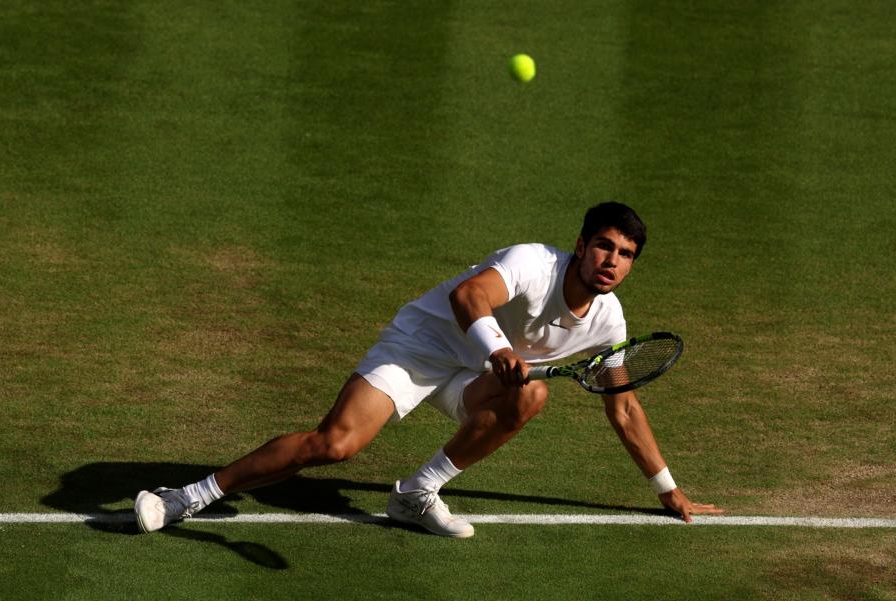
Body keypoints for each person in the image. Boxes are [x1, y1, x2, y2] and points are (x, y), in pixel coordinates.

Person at [135, 201, 722, 537]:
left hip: (477, 381)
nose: (611, 262)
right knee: (334, 445)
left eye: (624, 256)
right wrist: (497, 347)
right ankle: (188, 495)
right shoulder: (532, 265)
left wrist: (668, 490)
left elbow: (623, 405)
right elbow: (469, 296)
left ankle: (416, 494)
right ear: (580, 244)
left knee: (531, 397)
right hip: (421, 348)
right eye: (603, 247)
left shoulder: (610, 324)